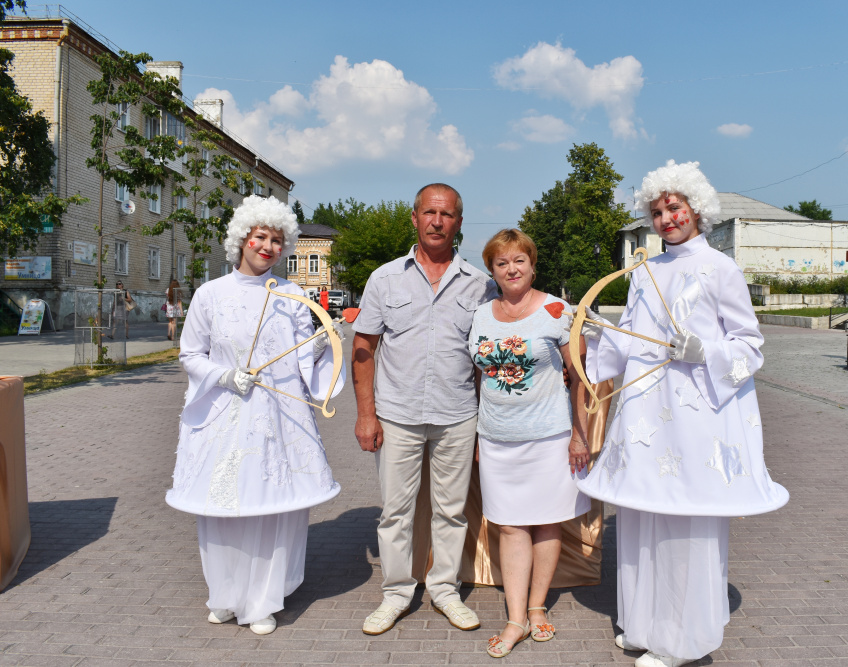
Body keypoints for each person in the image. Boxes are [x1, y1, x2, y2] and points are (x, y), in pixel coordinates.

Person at [577, 161, 789, 667]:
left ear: (697, 209)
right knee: (641, 516)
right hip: (646, 413)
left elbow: (750, 346)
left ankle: (682, 640)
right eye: (657, 211)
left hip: (695, 417)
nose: (666, 218)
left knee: (685, 522)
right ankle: (643, 625)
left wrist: (705, 352)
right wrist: (591, 332)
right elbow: (631, 339)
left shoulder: (721, 268)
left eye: (674, 208)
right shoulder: (645, 271)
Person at [165, 195, 345, 635]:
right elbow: (190, 354)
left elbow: (301, 360)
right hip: (226, 414)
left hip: (280, 417)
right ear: (242, 238)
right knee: (223, 504)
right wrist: (225, 376)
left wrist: (322, 346)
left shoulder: (293, 294)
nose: (268, 247)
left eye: (277, 240)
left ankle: (263, 599)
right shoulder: (210, 294)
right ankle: (226, 594)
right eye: (261, 237)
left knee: (272, 506)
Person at [351, 183, 497, 635]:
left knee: (451, 511)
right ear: (414, 218)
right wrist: (366, 414)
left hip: (458, 415)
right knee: (396, 512)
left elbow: (490, 355)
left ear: (458, 223)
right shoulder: (385, 278)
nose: (437, 221)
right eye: (429, 213)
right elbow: (364, 348)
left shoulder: (481, 284)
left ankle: (445, 590)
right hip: (397, 415)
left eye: (447, 214)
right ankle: (396, 594)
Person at [469, 229, 591, 658]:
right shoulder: (481, 315)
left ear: (533, 265)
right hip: (497, 437)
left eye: (519, 260)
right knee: (509, 525)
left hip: (549, 437)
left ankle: (537, 608)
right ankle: (516, 618)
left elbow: (579, 378)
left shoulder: (558, 311)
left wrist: (579, 435)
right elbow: (480, 376)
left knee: (547, 521)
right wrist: (478, 433)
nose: (511, 269)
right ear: (492, 270)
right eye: (501, 263)